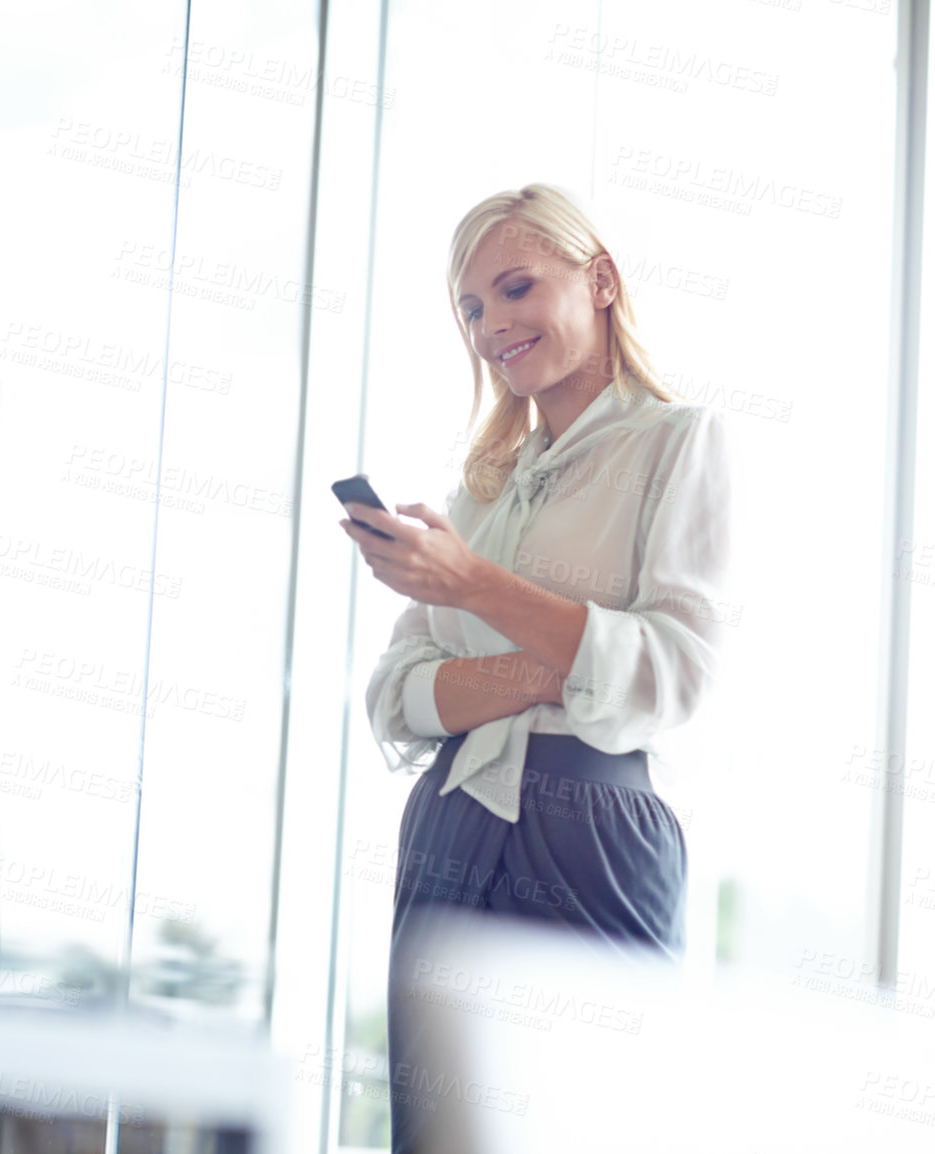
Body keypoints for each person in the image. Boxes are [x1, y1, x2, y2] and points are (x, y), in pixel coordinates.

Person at [340, 183, 732, 1152]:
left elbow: (674, 673)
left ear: (598, 279)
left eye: (516, 288)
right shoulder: (476, 492)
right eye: (472, 308)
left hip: (592, 826)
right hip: (451, 824)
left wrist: (472, 586)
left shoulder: (680, 445)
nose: (491, 326)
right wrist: (551, 666)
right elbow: (395, 694)